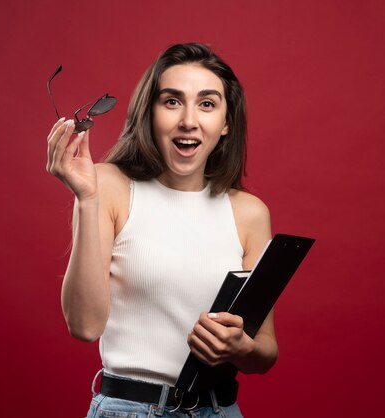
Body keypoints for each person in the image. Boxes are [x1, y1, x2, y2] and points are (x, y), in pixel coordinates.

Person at [46, 43, 277, 417]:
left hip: (219, 410)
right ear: (149, 114)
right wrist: (87, 199)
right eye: (171, 101)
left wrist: (240, 348)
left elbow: (265, 352)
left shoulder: (249, 213)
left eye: (207, 104)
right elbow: (85, 325)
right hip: (129, 409)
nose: (189, 120)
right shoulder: (108, 186)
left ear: (226, 122)